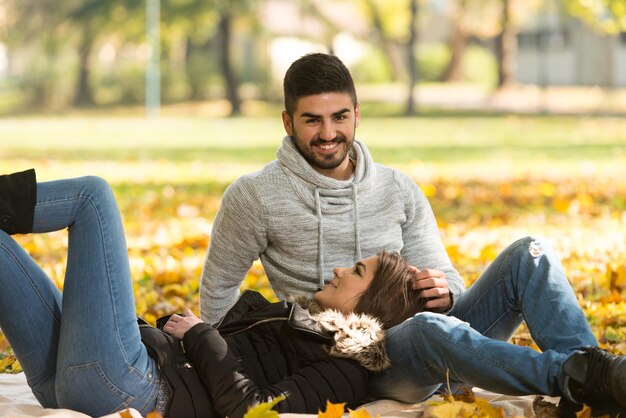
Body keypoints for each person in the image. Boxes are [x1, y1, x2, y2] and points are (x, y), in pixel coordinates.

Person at [199, 52, 626, 416]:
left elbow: (450, 281)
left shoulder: (396, 189)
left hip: (433, 332)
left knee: (529, 254)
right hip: (351, 364)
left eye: (339, 117)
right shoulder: (253, 197)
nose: (328, 134)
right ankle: (589, 377)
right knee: (426, 329)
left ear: (357, 114)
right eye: (312, 120)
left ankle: (593, 385)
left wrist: (446, 292)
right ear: (288, 122)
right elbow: (218, 305)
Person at [0, 169, 426, 418]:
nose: (338, 269)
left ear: (373, 305)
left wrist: (202, 335)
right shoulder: (297, 319)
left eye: (355, 271)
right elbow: (204, 359)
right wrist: (175, 333)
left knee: (93, 197)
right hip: (74, 382)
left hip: (132, 389)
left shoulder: (345, 371)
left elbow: (253, 410)